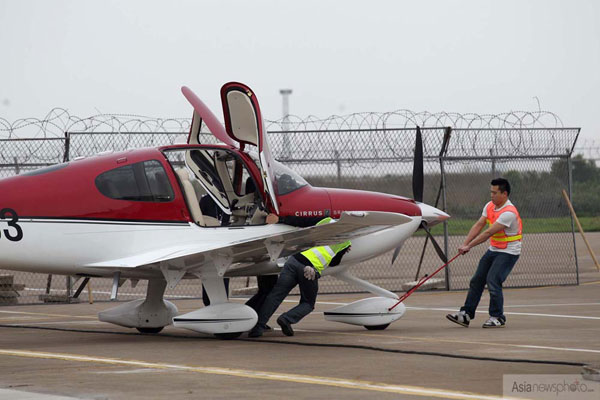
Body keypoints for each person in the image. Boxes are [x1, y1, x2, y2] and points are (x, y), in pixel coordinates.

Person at [248, 217, 351, 338]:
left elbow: (300, 222)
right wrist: (345, 250)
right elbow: (334, 262)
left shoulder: (325, 220)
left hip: (294, 260)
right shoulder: (347, 239)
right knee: (308, 303)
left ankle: (258, 328)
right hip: (310, 269)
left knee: (275, 296)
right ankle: (286, 319)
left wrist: (281, 219)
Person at [446, 178, 522, 328]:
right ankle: (466, 314)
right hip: (494, 250)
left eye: (495, 193)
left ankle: (497, 317)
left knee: (493, 280)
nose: (491, 195)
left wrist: (469, 246)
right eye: (491, 192)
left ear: (504, 193)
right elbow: (479, 225)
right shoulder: (489, 206)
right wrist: (465, 243)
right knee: (477, 280)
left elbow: (487, 232)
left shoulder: (509, 212)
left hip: (509, 252)